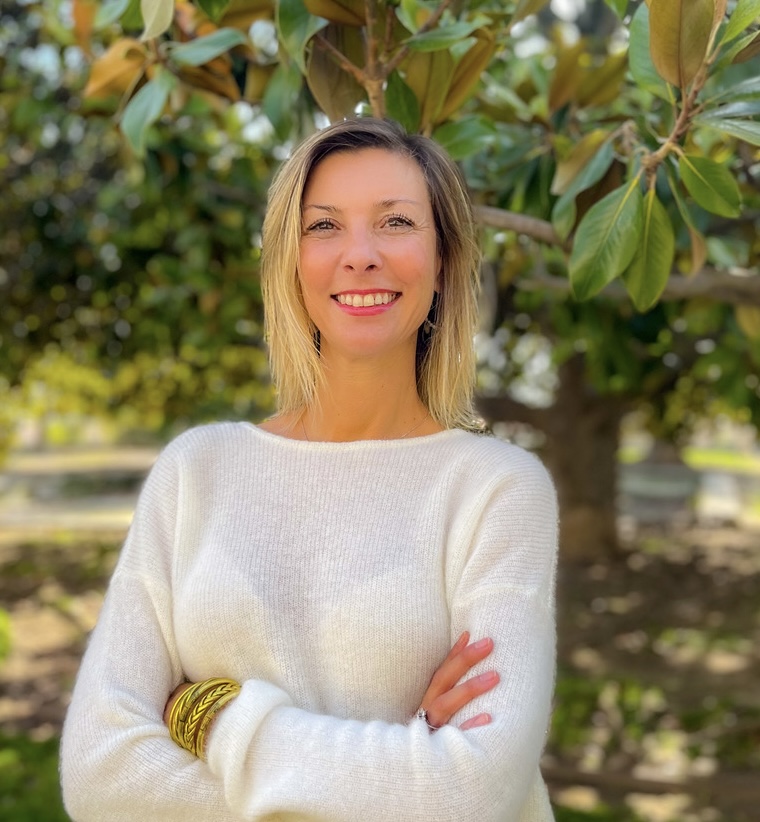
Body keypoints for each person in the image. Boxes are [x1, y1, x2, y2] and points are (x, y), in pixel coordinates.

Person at [60, 117, 559, 821]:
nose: (360, 256)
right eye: (324, 226)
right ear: (290, 261)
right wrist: (401, 767)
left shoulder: (497, 489)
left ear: (444, 259)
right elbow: (99, 775)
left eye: (395, 222)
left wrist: (213, 717)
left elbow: (473, 793)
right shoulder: (196, 472)